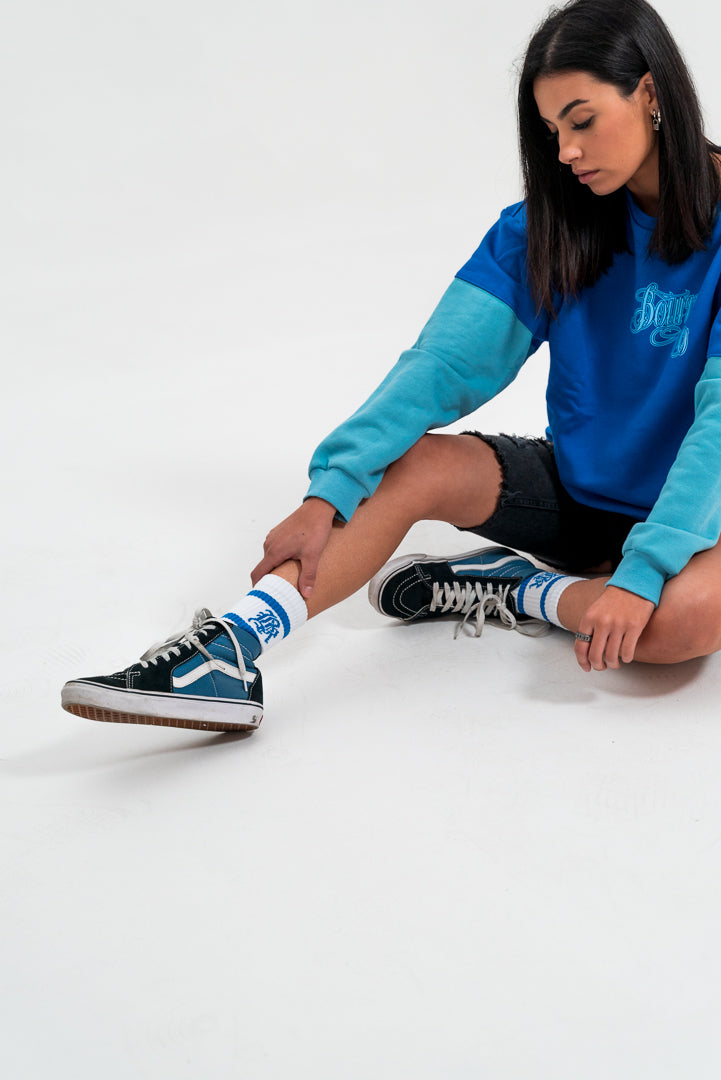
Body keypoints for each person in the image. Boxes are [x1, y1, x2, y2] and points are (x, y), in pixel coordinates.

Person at [61, 0, 721, 733]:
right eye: (550, 131)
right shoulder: (546, 227)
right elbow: (442, 363)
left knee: (681, 624)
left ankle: (518, 588)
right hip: (580, 491)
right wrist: (330, 490)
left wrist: (643, 570)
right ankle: (229, 651)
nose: (565, 150)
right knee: (408, 467)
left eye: (580, 118)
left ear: (650, 92)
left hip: (703, 517)